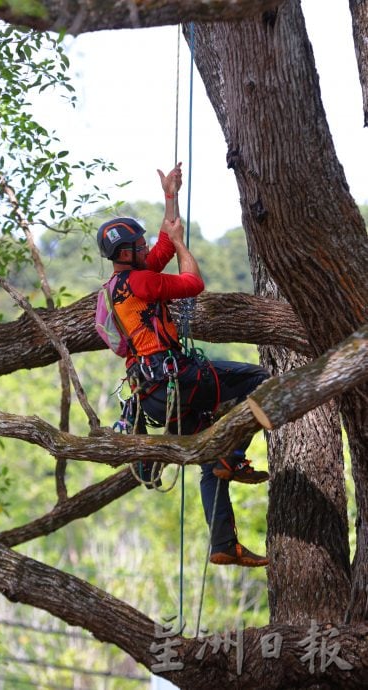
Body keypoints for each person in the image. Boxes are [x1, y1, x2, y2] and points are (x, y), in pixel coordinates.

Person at [96, 163, 269, 567]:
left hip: (154, 393)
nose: (144, 249)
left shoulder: (124, 282)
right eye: (136, 245)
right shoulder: (141, 282)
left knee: (210, 454)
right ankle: (233, 454)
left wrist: (170, 195)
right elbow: (192, 282)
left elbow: (162, 247)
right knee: (257, 378)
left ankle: (223, 544)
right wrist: (181, 244)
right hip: (177, 380)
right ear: (125, 254)